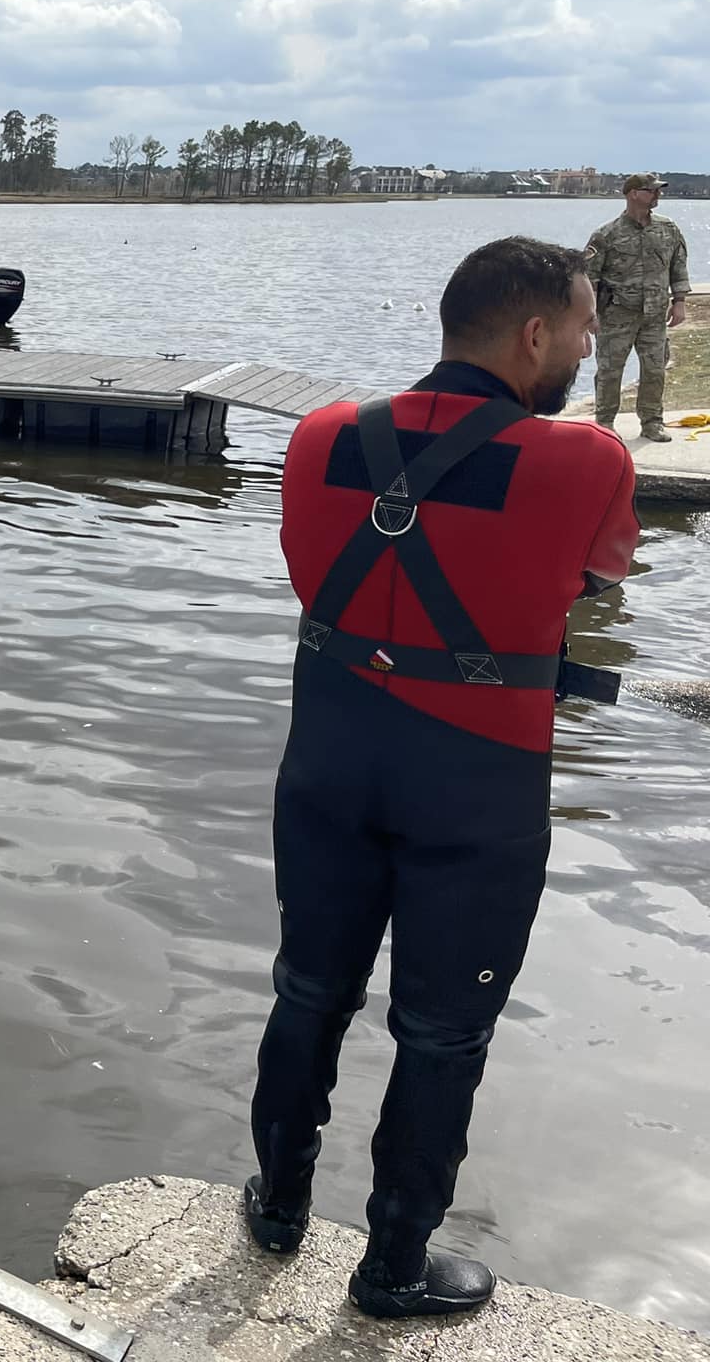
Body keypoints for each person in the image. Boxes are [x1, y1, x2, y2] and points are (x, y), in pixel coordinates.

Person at [245, 237, 639, 1320]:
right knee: (440, 1034)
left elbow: (307, 568)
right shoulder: (585, 458)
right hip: (474, 787)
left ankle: (275, 1209)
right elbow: (596, 577)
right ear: (531, 335)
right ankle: (390, 1268)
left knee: (305, 992)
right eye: (580, 330)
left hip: (324, 765)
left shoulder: (318, 434)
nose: (583, 346)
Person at [583, 173, 691, 441]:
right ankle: (605, 423)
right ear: (632, 193)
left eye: (658, 191)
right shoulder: (606, 234)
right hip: (617, 315)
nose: (657, 195)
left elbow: (678, 267)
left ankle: (652, 422)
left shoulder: (668, 229)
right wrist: (590, 316)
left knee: (655, 369)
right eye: (651, 190)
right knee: (610, 371)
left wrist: (679, 303)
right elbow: (589, 278)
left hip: (654, 315)